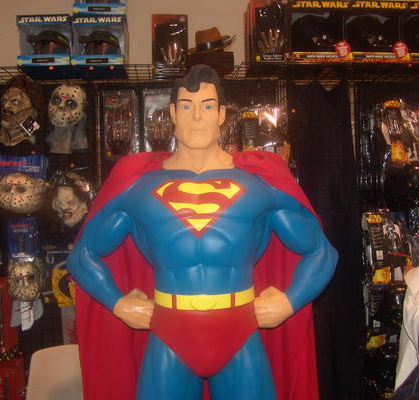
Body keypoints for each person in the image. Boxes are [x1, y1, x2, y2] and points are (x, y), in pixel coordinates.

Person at [68, 65, 338, 399]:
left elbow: (321, 252)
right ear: (172, 113)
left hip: (240, 332)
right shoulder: (136, 185)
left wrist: (289, 301)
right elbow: (82, 255)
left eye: (207, 106)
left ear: (222, 114)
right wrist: (118, 303)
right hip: (168, 334)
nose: (197, 116)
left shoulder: (260, 183)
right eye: (187, 106)